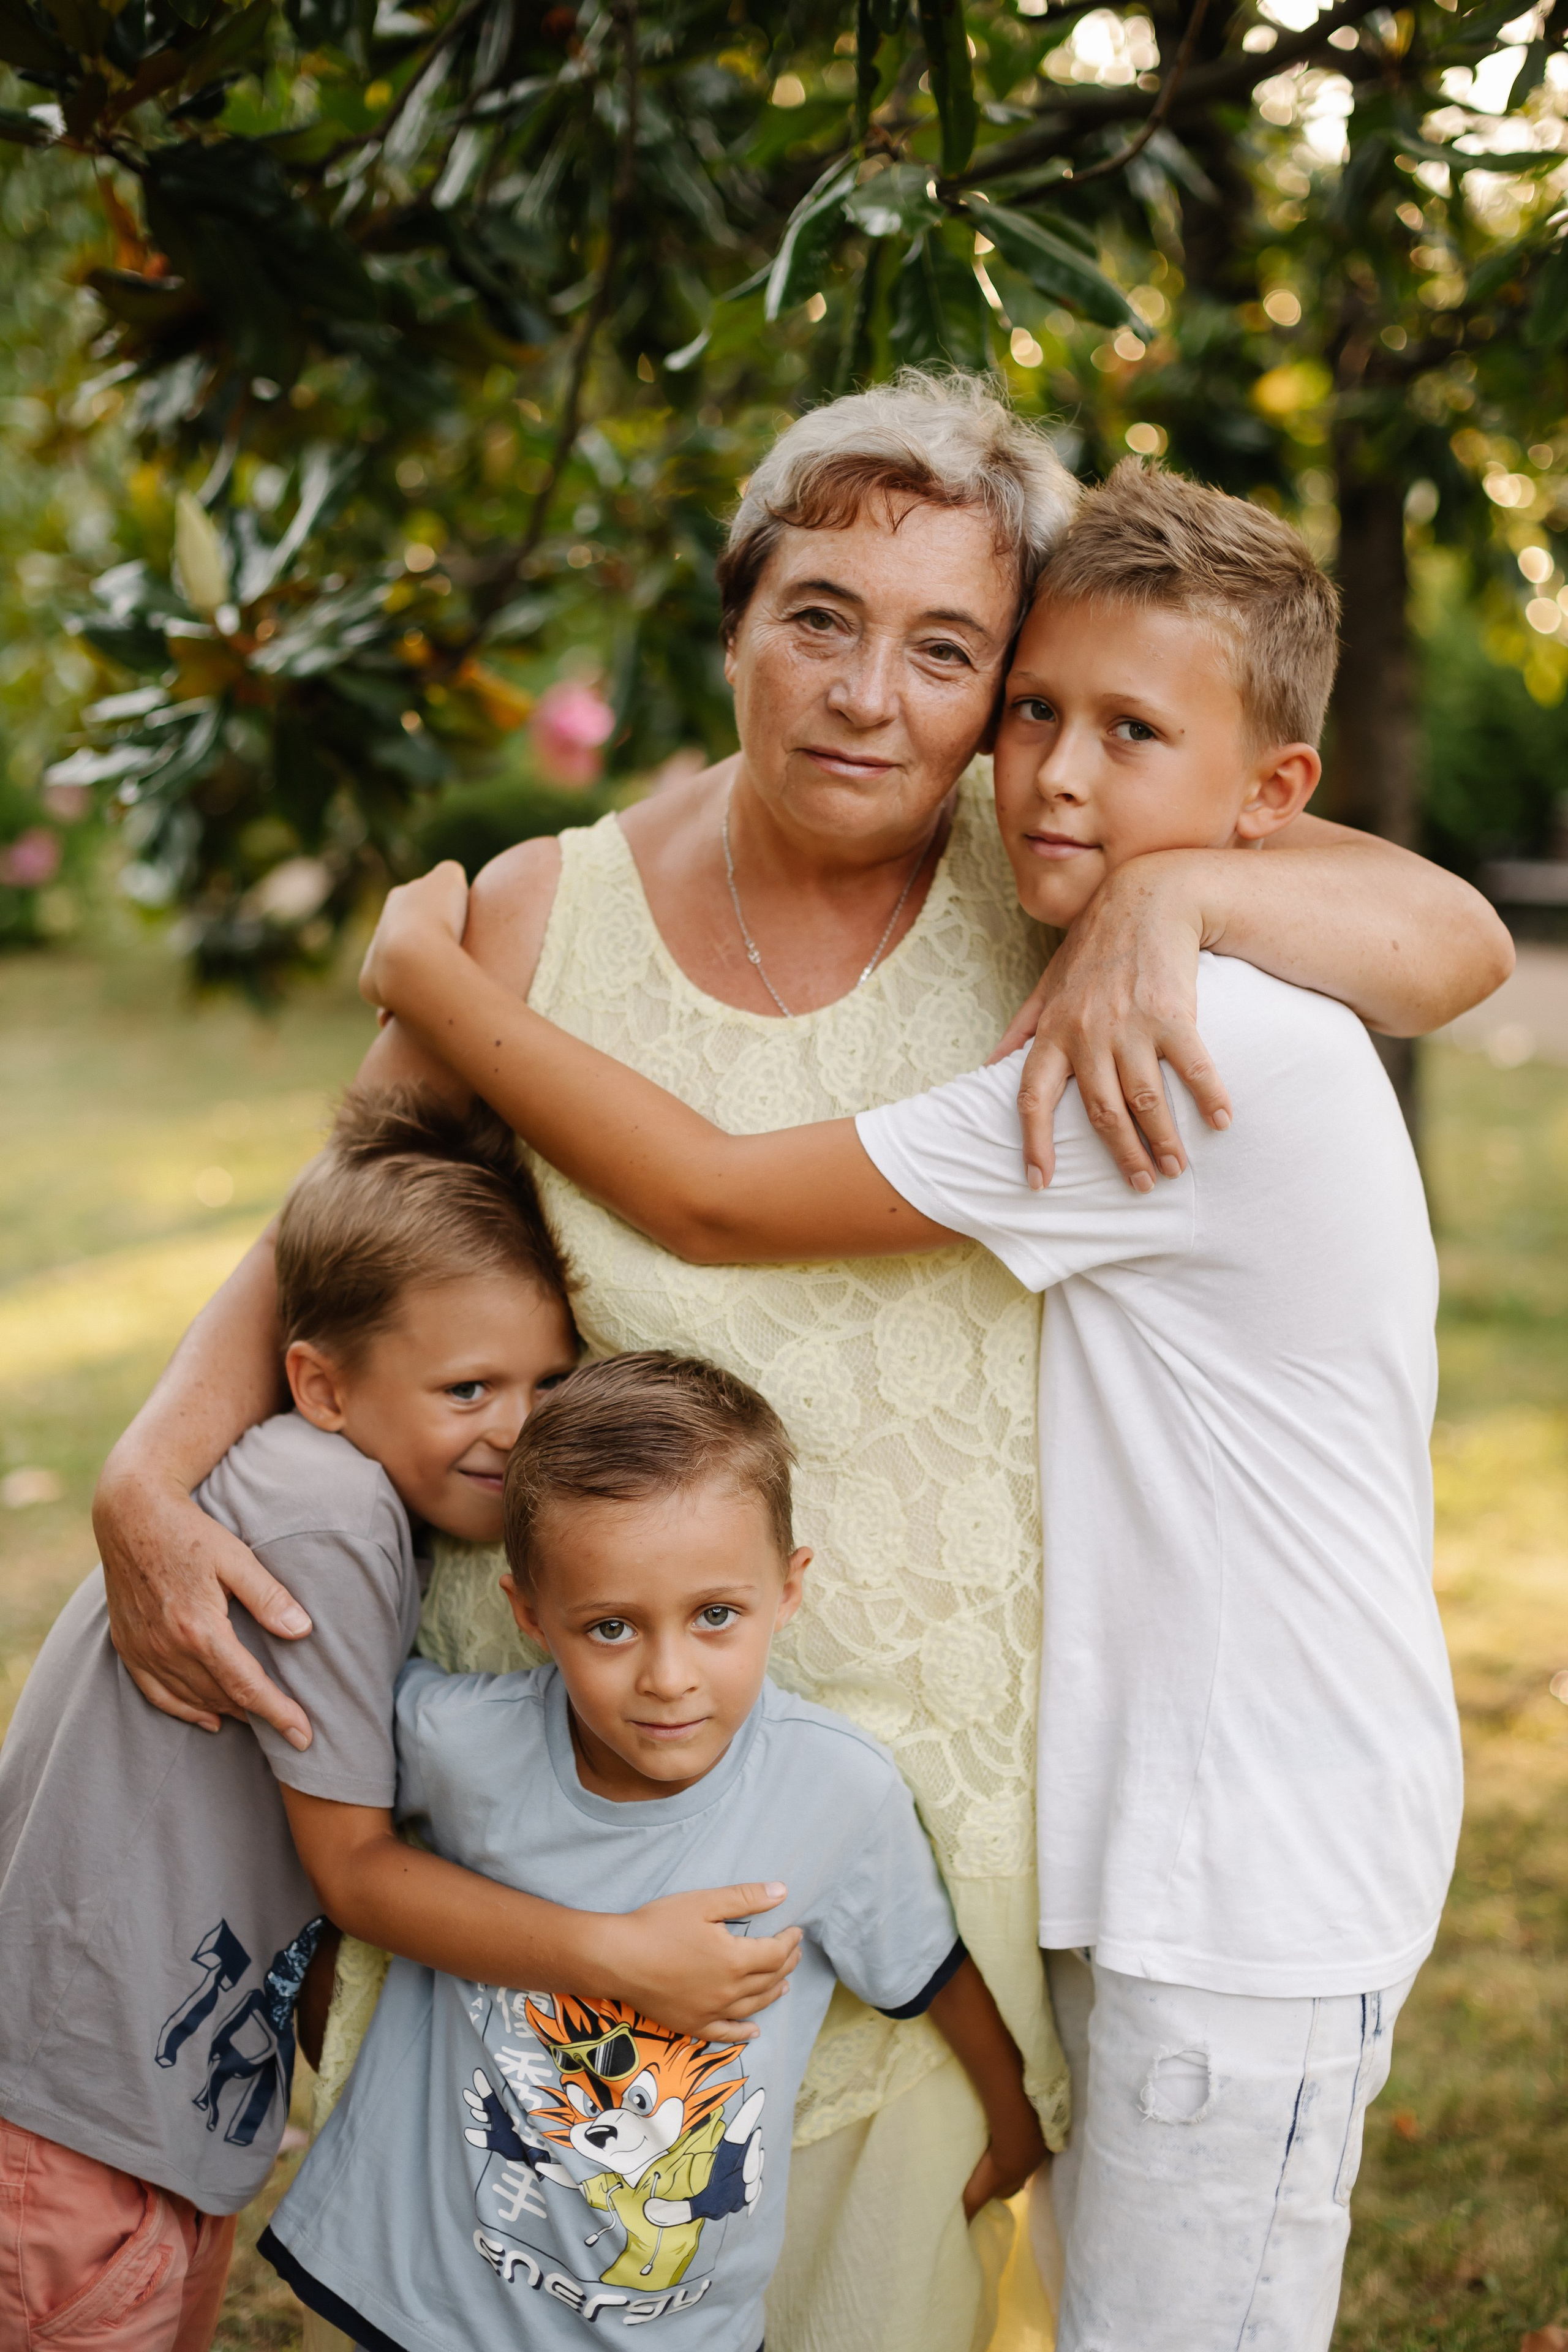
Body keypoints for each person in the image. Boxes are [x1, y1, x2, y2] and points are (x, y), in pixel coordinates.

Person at [91, 375, 1509, 2352]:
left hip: (1006, 1834)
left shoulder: (1079, 918)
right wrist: (150, 1467)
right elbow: (347, 1223)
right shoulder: (572, 907)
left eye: (951, 652)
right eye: (821, 616)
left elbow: (1451, 939)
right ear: (734, 621)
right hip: (611, 1805)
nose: (872, 694)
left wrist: (1189, 890)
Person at [0, 1093, 796, 2352]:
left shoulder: (300, 1481)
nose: (521, 1428)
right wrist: (622, 1957)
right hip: (75, 2136)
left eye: (548, 1381)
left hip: (113, 2110)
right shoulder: (325, 1517)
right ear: (318, 1381)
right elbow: (355, 1872)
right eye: (468, 1386)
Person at [260, 1352, 1046, 2352]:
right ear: (531, 1616)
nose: (669, 1678)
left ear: (790, 1590)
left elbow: (929, 1972)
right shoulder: (464, 1744)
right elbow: (318, 1773)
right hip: (424, 2297)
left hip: (675, 2326)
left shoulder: (836, 1790)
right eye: (612, 1627)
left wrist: (1012, 2117)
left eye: (717, 1615)